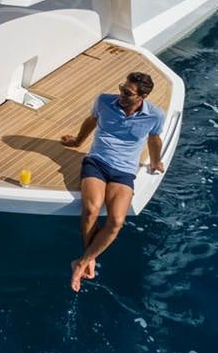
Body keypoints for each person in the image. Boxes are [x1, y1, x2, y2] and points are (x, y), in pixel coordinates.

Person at [60, 71, 166, 291]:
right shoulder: (104, 101)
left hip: (124, 172)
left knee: (116, 221)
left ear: (142, 97)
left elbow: (154, 139)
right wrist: (78, 141)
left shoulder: (155, 116)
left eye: (127, 92)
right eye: (121, 88)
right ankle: (88, 260)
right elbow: (92, 120)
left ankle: (82, 261)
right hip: (97, 162)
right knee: (91, 209)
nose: (121, 94)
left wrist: (156, 162)